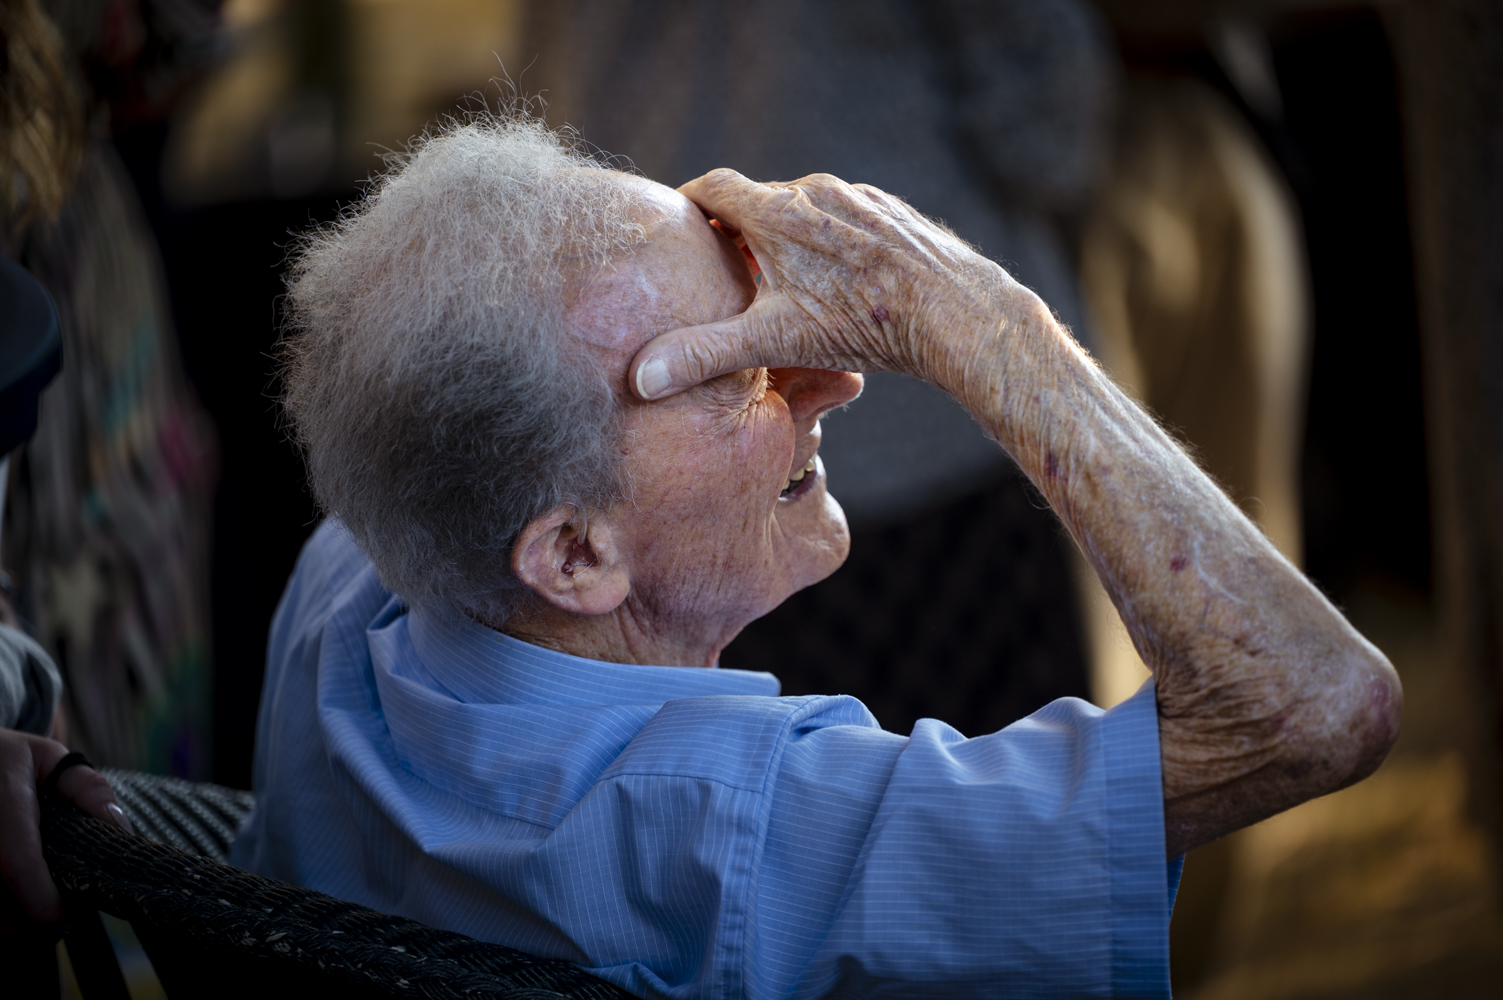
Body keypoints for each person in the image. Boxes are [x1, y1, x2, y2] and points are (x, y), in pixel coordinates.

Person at [2, 114, 1400, 998]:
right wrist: (982, 323)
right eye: (729, 373)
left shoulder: (353, 582)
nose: (831, 385)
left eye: (763, 320)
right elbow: (1317, 708)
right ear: (573, 554)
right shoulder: (735, 833)